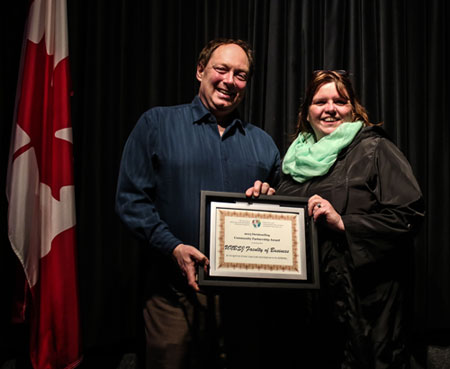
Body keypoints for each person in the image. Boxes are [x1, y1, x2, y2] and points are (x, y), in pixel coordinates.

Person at [115, 38, 280, 369]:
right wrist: (173, 247)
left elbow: (281, 215)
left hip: (243, 305)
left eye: (241, 74)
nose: (230, 80)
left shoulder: (263, 144)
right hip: (173, 295)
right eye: (221, 69)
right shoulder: (157, 125)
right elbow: (131, 202)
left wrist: (271, 202)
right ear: (200, 70)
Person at [247, 70, 425, 368]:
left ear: (353, 108)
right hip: (305, 313)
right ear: (306, 112)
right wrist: (266, 201)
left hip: (362, 311)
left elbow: (408, 215)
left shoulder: (375, 149)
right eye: (320, 101)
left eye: (339, 101)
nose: (330, 108)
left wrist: (344, 223)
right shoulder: (293, 162)